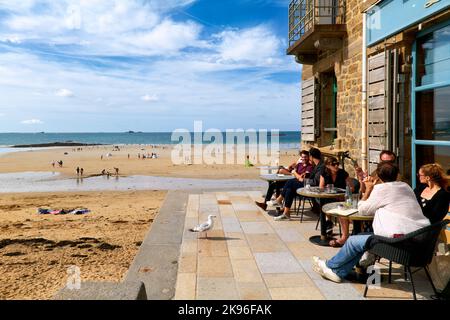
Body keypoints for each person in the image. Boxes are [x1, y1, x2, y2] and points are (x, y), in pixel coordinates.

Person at [312, 162, 430, 283]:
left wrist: (368, 190)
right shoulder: (406, 187)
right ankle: (338, 270)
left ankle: (331, 267)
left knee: (353, 241)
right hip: (418, 239)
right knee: (359, 238)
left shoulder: (382, 189)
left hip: (399, 243)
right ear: (397, 175)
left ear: (378, 176)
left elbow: (363, 210)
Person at [319, 157, 354, 246]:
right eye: (333, 164)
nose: (336, 166)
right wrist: (327, 189)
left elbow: (352, 188)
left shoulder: (343, 173)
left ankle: (342, 234)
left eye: (337, 164)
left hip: (341, 197)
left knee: (341, 209)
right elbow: (321, 187)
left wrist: (344, 191)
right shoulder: (324, 173)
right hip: (328, 197)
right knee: (325, 205)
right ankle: (328, 222)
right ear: (327, 165)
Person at [269, 151, 314, 221]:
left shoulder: (310, 167)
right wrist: (296, 174)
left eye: (305, 157)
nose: (304, 158)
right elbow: (295, 175)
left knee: (290, 182)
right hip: (295, 185)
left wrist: (295, 173)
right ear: (300, 157)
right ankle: (286, 213)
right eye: (302, 157)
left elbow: (302, 179)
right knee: (289, 190)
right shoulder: (299, 165)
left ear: (308, 157)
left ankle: (279, 199)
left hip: (304, 186)